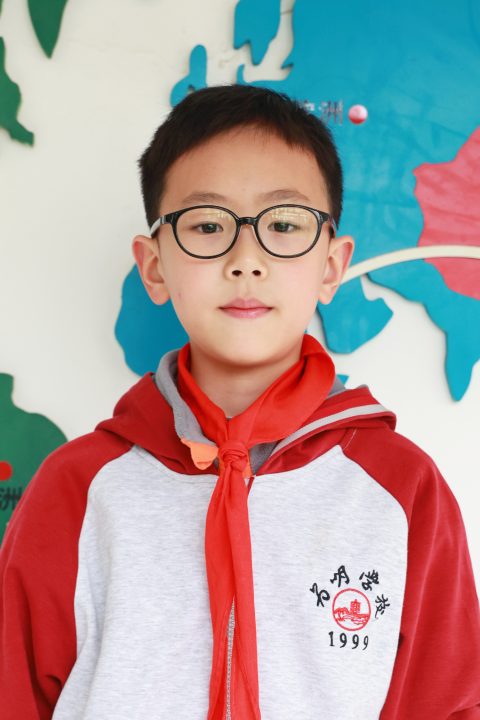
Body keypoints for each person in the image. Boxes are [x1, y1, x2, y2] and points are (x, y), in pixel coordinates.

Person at [0, 84, 479, 720]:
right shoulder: (77, 488)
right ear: (154, 267)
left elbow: (445, 704)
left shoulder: (404, 488)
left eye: (284, 224)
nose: (246, 260)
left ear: (332, 266)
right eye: (207, 225)